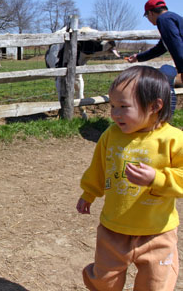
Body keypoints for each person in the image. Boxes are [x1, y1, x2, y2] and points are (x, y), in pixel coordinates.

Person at [76, 66, 183, 290]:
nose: (114, 114)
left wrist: (157, 177)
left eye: (124, 107)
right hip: (114, 228)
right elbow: (99, 167)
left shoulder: (174, 139)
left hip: (157, 233)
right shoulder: (110, 136)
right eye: (113, 106)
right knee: (104, 281)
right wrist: (89, 193)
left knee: (156, 284)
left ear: (155, 106)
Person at [127, 0, 183, 113]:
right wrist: (138, 57)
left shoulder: (163, 20)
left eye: (147, 16)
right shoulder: (173, 18)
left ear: (150, 13)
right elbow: (162, 47)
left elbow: (177, 45)